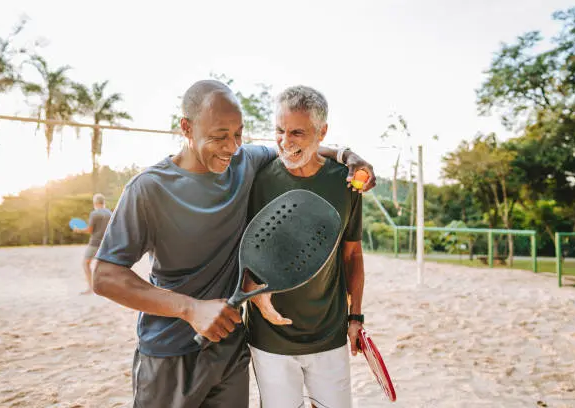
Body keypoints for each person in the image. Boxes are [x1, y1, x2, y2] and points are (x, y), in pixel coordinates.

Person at [91, 80, 374, 408]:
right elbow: (104, 276)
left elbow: (299, 147)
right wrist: (190, 309)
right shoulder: (148, 189)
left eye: (238, 134)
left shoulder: (245, 162)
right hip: (169, 353)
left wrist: (348, 156)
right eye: (219, 136)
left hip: (230, 353)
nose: (231, 146)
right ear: (186, 127)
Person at [245, 85, 366, 408]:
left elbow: (352, 254)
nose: (285, 141)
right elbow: (242, 255)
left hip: (329, 333)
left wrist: (356, 318)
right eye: (279, 130)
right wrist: (252, 291)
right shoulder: (257, 179)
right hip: (269, 338)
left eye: (297, 132)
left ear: (322, 132)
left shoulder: (346, 182)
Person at [73, 193, 112, 294]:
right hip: (106, 243)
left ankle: (91, 288)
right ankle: (106, 288)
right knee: (103, 266)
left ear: (95, 203)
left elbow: (89, 230)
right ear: (104, 202)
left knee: (86, 264)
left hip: (95, 243)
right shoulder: (110, 213)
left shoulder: (94, 214)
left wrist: (79, 230)